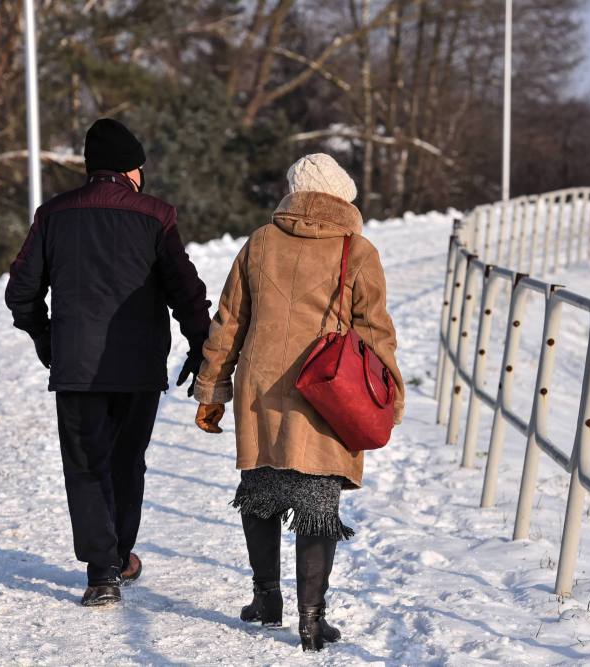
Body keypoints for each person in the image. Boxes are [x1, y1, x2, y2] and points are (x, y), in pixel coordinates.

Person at [192, 153, 404, 651]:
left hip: (260, 386)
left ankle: (266, 600)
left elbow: (229, 323)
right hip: (327, 392)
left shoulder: (260, 242)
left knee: (261, 492)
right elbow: (376, 333)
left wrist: (212, 390)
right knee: (315, 504)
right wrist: (389, 398)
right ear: (341, 195)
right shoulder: (358, 250)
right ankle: (312, 620)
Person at [4, 118, 211, 607]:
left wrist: (45, 336)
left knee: (85, 465)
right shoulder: (156, 215)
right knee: (126, 461)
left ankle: (102, 575)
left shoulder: (53, 214)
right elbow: (185, 288)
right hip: (139, 365)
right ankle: (119, 555)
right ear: (130, 170)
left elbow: (21, 291)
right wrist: (202, 345)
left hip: (76, 364)